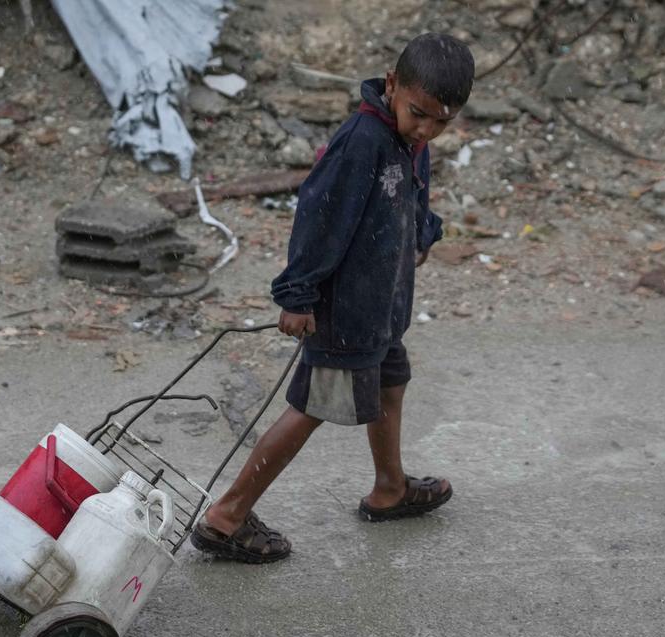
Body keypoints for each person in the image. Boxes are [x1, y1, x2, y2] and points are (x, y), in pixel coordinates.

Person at [191, 33, 475, 563]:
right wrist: (297, 296)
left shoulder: (413, 140)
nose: (428, 129)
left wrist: (422, 233)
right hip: (344, 311)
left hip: (382, 306)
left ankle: (389, 489)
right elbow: (318, 219)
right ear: (391, 85)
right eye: (419, 115)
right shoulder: (362, 141)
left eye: (442, 121)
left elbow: (413, 196)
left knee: (393, 381)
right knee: (311, 408)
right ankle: (227, 516)